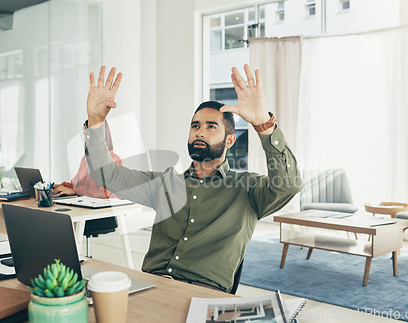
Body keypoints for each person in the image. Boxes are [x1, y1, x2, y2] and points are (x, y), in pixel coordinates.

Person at [82, 64, 302, 292]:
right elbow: (106, 174)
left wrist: (264, 126)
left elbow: (289, 185)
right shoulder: (164, 184)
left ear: (229, 141)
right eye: (195, 126)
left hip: (203, 294)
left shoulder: (247, 189)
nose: (200, 132)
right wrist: (95, 121)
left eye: (211, 127)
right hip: (150, 287)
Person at [52, 120, 121, 199]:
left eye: (89, 135)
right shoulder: (85, 159)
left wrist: (75, 191)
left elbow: (104, 192)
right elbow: (78, 186)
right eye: (84, 135)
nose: (86, 140)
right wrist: (60, 187)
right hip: (85, 205)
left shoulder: (113, 159)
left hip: (102, 208)